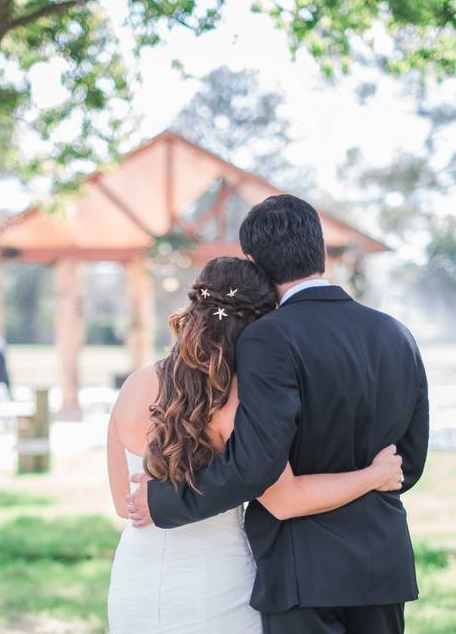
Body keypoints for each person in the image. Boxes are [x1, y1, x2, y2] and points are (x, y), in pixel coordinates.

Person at [126, 195, 430, 633]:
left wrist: (164, 501)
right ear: (320, 250)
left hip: (302, 574)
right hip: (383, 568)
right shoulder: (397, 334)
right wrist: (371, 477)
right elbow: (408, 463)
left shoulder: (268, 338)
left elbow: (254, 464)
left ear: (254, 263)